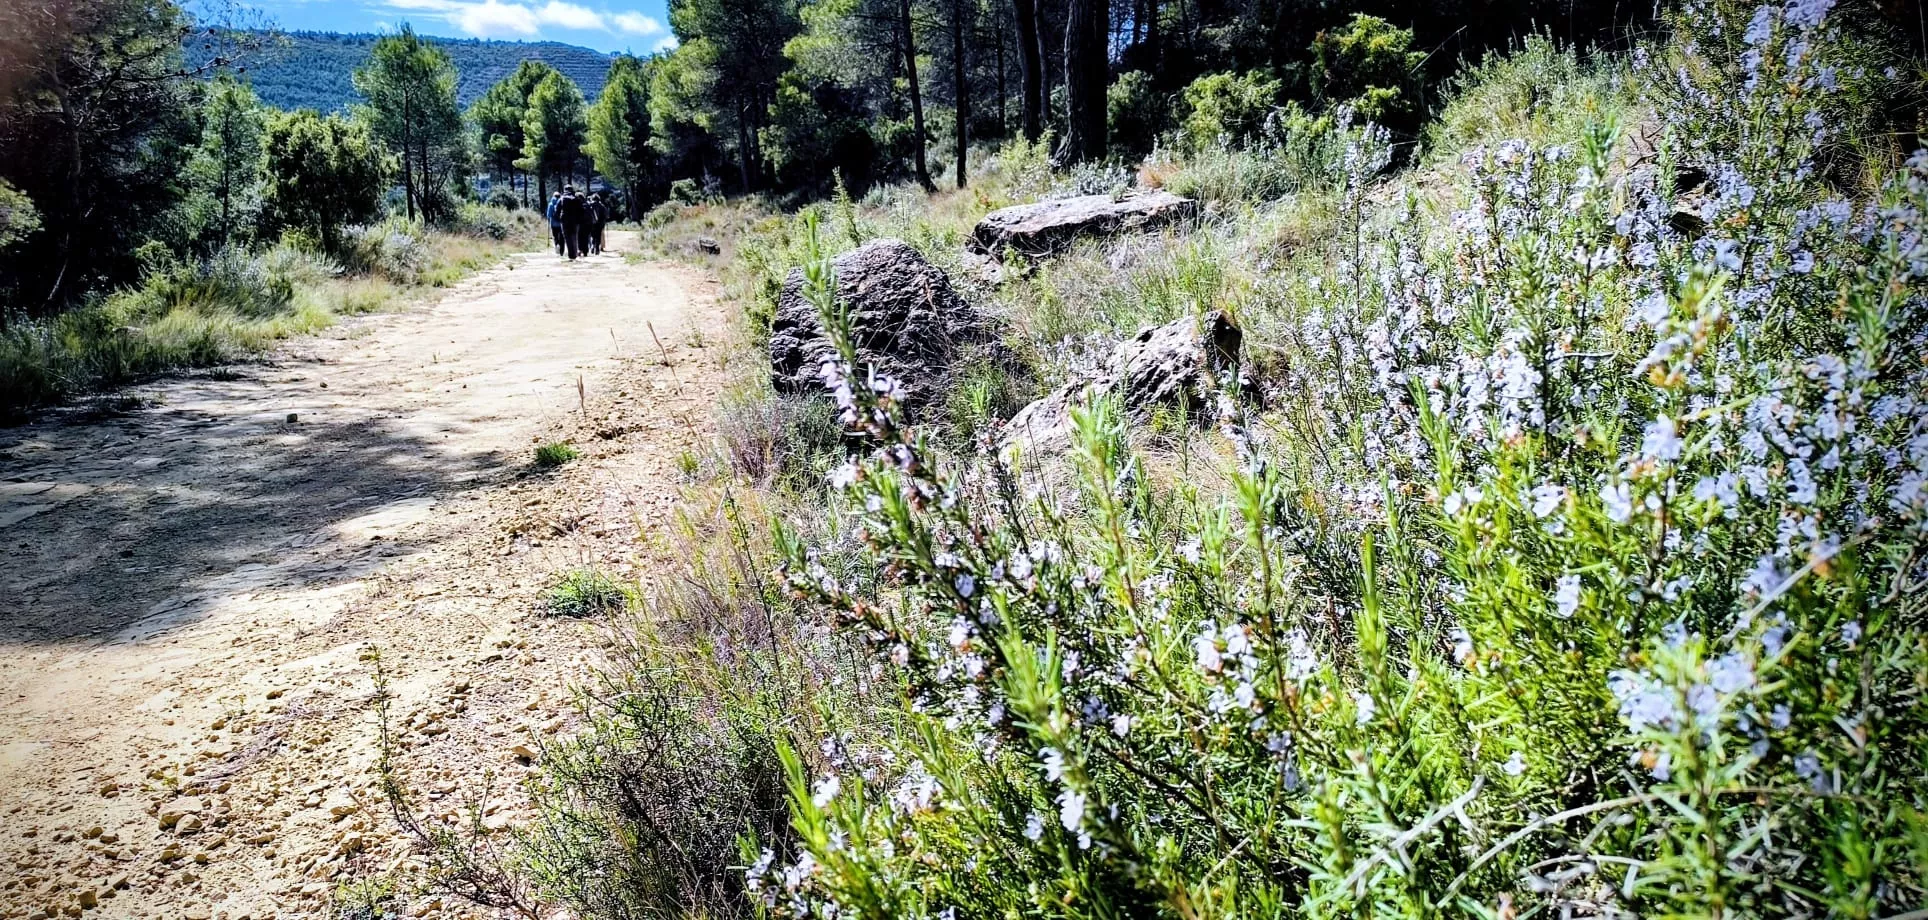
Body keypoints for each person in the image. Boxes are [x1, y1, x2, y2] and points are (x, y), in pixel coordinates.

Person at [558, 185, 586, 260]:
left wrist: (559, 218)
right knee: (574, 236)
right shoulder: (576, 199)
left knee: (567, 237)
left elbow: (557, 209)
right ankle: (574, 253)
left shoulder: (562, 198)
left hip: (565, 220)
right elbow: (582, 210)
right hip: (575, 221)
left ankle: (571, 254)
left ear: (564, 190)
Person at [544, 191, 563, 255]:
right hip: (561, 224)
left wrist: (549, 220)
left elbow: (548, 215)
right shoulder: (561, 202)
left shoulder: (551, 204)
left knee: (555, 236)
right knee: (561, 236)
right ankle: (561, 248)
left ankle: (556, 245)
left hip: (553, 223)